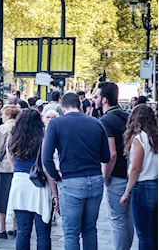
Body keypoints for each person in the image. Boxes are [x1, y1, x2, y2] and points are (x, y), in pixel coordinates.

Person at [42, 92, 110, 250]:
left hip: (71, 181)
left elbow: (46, 159)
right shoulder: (97, 123)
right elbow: (106, 157)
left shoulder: (56, 124)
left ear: (63, 108)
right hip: (95, 180)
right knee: (90, 229)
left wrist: (57, 178)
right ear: (80, 106)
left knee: (71, 232)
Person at [6, 109, 58, 250]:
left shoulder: (13, 137)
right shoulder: (43, 138)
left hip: (19, 184)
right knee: (43, 232)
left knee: (23, 230)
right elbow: (46, 166)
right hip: (39, 184)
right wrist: (55, 194)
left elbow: (10, 158)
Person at [95, 82, 134, 250]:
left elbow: (112, 154)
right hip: (133, 174)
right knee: (129, 218)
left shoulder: (105, 121)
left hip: (116, 176)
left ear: (104, 100)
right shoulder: (128, 116)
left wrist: (105, 176)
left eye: (96, 96)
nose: (94, 99)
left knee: (117, 218)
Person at [120, 104, 158, 250]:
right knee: (154, 232)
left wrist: (126, 192)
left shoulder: (139, 139)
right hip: (156, 183)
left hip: (142, 187)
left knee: (143, 234)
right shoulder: (156, 137)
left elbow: (136, 168)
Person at [0, 105, 20, 239]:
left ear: (7, 115)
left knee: (1, 199)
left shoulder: (2, 129)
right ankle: (15, 226)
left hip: (4, 168)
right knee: (15, 198)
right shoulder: (20, 128)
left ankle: (2, 229)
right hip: (18, 168)